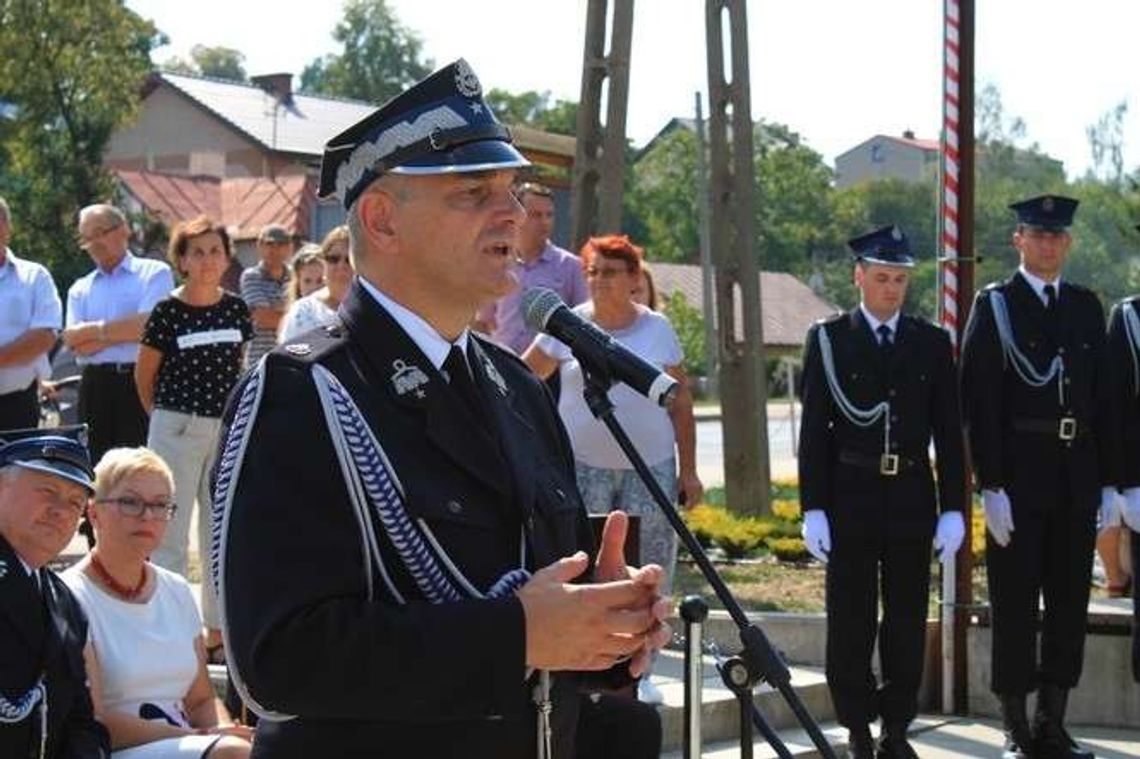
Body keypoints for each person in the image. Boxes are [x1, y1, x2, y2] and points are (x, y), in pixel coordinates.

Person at [211, 59, 669, 759]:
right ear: (382, 220)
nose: (513, 213)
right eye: (474, 192)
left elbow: (541, 627)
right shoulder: (301, 391)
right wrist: (519, 634)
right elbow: (275, 663)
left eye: (511, 191)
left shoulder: (517, 387)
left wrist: (603, 626)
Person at [797, 225, 964, 759]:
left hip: (911, 493)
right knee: (851, 617)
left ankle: (896, 727)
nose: (892, 289)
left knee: (907, 619)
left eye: (900, 279)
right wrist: (813, 507)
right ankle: (857, 728)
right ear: (859, 277)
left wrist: (955, 508)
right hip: (850, 494)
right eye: (882, 277)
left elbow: (949, 431)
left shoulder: (930, 342)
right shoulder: (830, 339)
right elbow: (814, 431)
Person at [521, 234, 701, 705]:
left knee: (652, 566)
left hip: (650, 466)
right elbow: (523, 378)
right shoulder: (568, 325)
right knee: (585, 563)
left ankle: (642, 666)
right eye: (593, 272)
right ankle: (588, 668)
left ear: (635, 278)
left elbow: (680, 402)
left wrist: (689, 470)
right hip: (582, 467)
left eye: (611, 272)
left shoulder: (657, 328)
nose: (599, 280)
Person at [960, 195, 1107, 759]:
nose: (1048, 245)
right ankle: (1016, 727)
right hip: (1019, 480)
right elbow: (978, 400)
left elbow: (1104, 399)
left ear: (1068, 243)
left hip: (1076, 477)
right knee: (1016, 607)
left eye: (1057, 236)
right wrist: (990, 484)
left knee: (1068, 607)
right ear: (1018, 240)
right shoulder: (997, 305)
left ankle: (1053, 723)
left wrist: (1109, 480)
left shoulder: (1085, 306)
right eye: (1037, 235)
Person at [63, 447, 252, 759]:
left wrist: (224, 729)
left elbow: (201, 701)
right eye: (130, 502)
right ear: (93, 513)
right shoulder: (71, 595)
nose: (147, 516)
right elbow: (93, 719)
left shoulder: (176, 590)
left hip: (190, 744)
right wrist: (204, 738)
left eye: (160, 504)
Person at [134, 217, 253, 664]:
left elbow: (239, 365)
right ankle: (172, 628)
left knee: (219, 529)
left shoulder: (236, 309)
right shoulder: (168, 311)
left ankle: (217, 632)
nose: (207, 260)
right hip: (176, 427)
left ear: (226, 258)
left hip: (223, 430)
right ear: (181, 260)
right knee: (169, 528)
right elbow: (145, 375)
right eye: (197, 252)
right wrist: (166, 421)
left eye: (214, 251)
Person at [0, 427, 111, 758]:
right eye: (47, 491)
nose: (61, 510)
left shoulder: (64, 602)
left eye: (75, 502)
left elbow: (81, 720)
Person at [63, 204, 175, 465]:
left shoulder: (154, 273)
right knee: (95, 469)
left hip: (140, 380)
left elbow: (149, 326)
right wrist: (125, 330)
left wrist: (95, 332)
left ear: (124, 230)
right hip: (94, 386)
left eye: (100, 232)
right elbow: (74, 342)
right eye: (86, 238)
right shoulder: (80, 288)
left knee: (140, 467)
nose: (94, 243)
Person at [473, 181, 588, 352]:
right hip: (503, 362)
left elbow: (584, 323)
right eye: (536, 215)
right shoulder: (497, 262)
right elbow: (483, 322)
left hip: (549, 366)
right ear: (517, 215)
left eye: (549, 215)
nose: (544, 222)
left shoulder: (571, 266)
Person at [0, 196, 63, 430]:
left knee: (17, 456)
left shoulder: (34, 277)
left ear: (7, 227)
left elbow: (44, 337)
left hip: (17, 405)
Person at [277, 226, 353, 342]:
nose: (341, 265)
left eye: (349, 259)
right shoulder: (303, 311)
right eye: (333, 259)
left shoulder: (374, 305)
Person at [239, 224, 293, 368]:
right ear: (259, 246)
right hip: (259, 362)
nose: (275, 249)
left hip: (291, 360)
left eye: (281, 244)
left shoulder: (296, 275)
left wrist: (276, 310)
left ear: (289, 248)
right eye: (269, 244)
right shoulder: (251, 276)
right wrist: (292, 313)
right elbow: (263, 318)